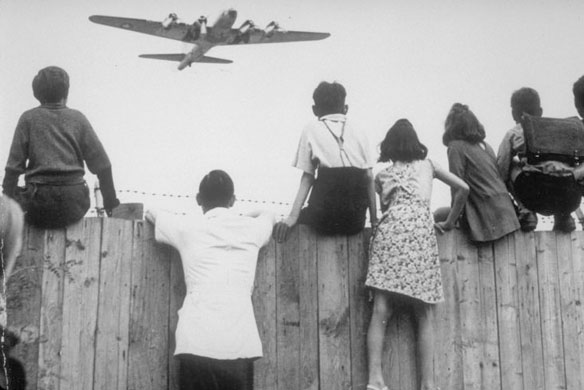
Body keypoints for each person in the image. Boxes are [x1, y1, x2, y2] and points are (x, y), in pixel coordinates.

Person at [145, 170, 275, 390]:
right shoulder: (251, 230)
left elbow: (150, 212)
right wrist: (242, 216)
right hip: (240, 344)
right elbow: (269, 214)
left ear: (198, 199)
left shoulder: (188, 227)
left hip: (197, 341)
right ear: (233, 200)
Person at [366, 119, 469, 390]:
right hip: (419, 237)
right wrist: (448, 223)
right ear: (416, 144)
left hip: (388, 236)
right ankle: (428, 384)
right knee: (424, 314)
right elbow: (464, 189)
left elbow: (379, 210)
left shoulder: (381, 176)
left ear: (389, 146)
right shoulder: (429, 165)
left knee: (380, 310)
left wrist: (376, 222)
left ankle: (375, 380)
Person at [2, 66, 119, 229]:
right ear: (66, 92)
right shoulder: (78, 119)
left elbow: (13, 169)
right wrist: (110, 202)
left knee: (16, 194)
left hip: (37, 206)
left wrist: (6, 209)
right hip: (74, 205)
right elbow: (104, 166)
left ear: (37, 93)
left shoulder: (28, 119)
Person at [273, 81, 376, 241]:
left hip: (323, 219)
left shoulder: (311, 128)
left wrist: (293, 217)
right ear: (345, 108)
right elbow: (369, 177)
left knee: (299, 222)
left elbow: (308, 177)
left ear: (315, 110)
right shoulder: (360, 131)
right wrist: (374, 221)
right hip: (355, 221)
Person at [497, 87, 583, 232]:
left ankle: (527, 213)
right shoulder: (562, 129)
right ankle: (564, 217)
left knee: (511, 164)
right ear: (541, 111)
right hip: (570, 196)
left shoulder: (514, 132)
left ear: (513, 114)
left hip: (533, 194)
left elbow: (501, 168)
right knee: (569, 166)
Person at [441, 103, 520, 242]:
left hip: (485, 213)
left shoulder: (455, 147)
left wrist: (450, 222)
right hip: (507, 213)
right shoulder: (486, 146)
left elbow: (457, 188)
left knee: (438, 215)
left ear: (451, 126)